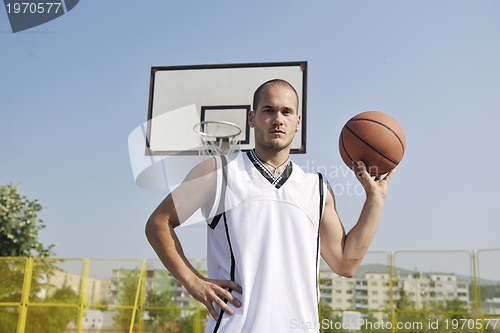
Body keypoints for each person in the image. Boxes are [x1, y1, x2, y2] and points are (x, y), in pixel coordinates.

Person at [145, 79, 395, 332]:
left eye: (286, 112)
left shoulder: (317, 187)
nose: (278, 119)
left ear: (297, 122)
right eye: (269, 111)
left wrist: (375, 200)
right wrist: (192, 281)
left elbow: (345, 263)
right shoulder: (218, 172)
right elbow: (159, 223)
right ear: (252, 119)